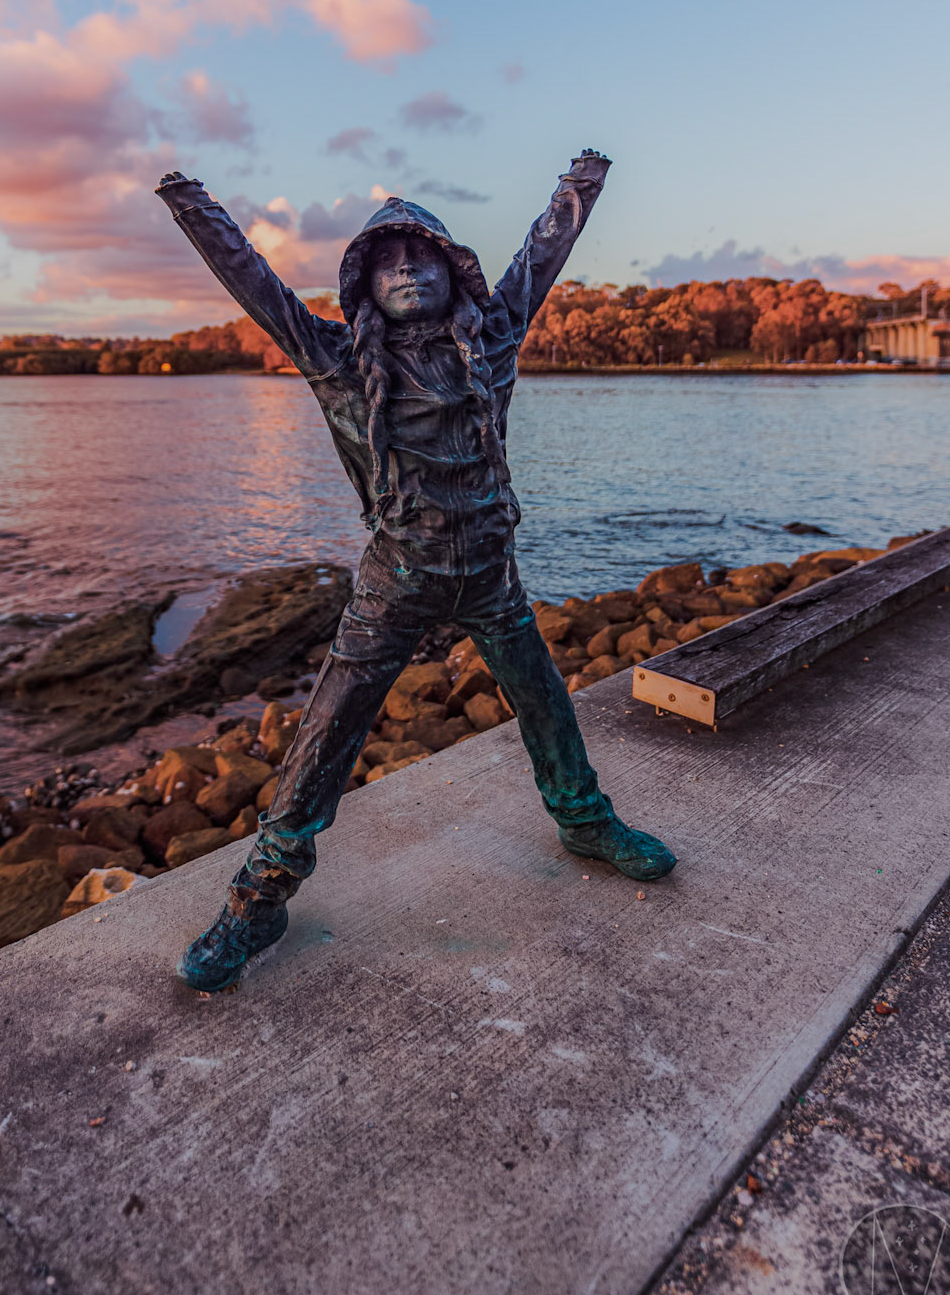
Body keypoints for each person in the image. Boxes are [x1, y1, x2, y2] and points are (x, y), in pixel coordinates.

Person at [156, 152, 675, 991]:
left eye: (421, 255)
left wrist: (579, 185)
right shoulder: (334, 357)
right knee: (328, 730)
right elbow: (253, 282)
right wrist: (190, 204)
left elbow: (540, 256)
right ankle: (260, 896)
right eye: (388, 261)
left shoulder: (491, 335)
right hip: (395, 579)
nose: (405, 269)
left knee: (542, 699)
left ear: (450, 269)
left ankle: (583, 819)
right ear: (363, 284)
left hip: (490, 571)